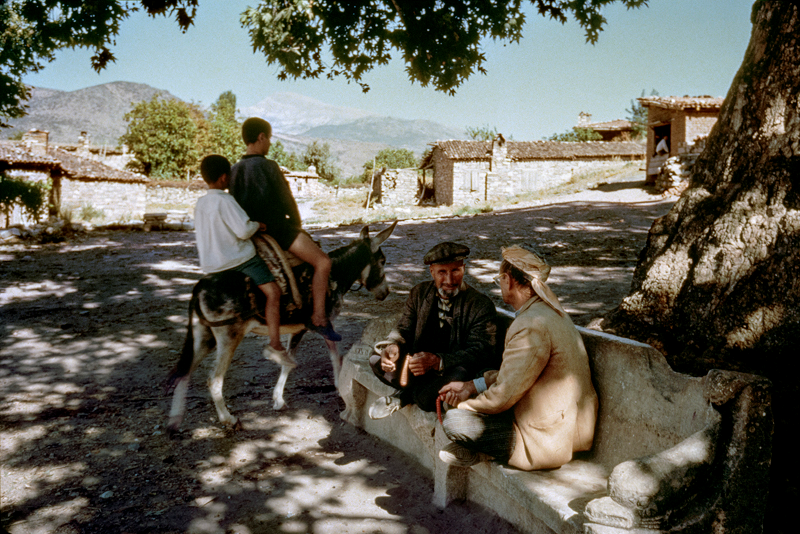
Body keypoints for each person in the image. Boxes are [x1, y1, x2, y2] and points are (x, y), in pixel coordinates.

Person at [437, 245, 598, 470]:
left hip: (544, 440)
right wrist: (472, 386)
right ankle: (479, 450)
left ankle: (486, 452)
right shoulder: (545, 313)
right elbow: (515, 374)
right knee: (468, 385)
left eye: (499, 280)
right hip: (563, 427)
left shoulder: (530, 325)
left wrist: (465, 406)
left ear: (508, 280)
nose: (500, 285)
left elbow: (504, 396)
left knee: (455, 421)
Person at [229, 117, 339, 341]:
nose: (269, 144)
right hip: (278, 230)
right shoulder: (269, 166)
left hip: (249, 233)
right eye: (268, 139)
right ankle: (319, 317)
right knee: (323, 262)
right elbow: (287, 201)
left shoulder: (234, 170)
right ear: (261, 137)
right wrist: (297, 226)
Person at [368, 242, 498, 419]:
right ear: (432, 272)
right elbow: (403, 329)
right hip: (416, 367)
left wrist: (439, 361)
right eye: (442, 272)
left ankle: (404, 396)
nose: (450, 280)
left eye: (455, 271)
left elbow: (482, 353)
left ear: (464, 269)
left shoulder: (480, 305)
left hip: (451, 369)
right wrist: (393, 346)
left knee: (434, 392)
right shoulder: (419, 293)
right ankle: (416, 391)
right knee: (376, 360)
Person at [194, 154, 285, 359]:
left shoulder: (201, 203)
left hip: (212, 265)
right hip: (238, 260)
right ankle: (275, 343)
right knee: (274, 292)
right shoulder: (226, 200)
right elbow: (243, 231)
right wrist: (258, 225)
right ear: (225, 178)